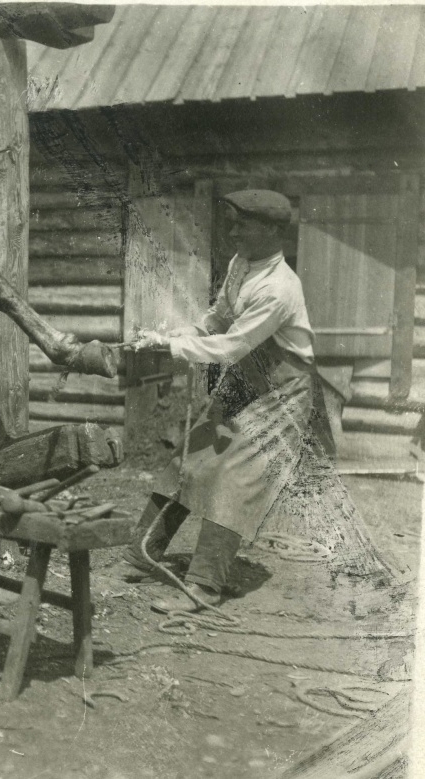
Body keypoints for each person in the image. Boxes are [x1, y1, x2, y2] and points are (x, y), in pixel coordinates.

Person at [110, 189, 321, 614]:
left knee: (230, 477)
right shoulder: (241, 264)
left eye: (244, 223)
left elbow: (231, 347)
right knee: (188, 461)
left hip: (282, 395)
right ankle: (140, 554)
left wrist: (172, 350)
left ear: (273, 231)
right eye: (233, 221)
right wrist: (172, 337)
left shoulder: (280, 288)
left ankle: (204, 586)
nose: (233, 230)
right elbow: (218, 319)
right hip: (246, 380)